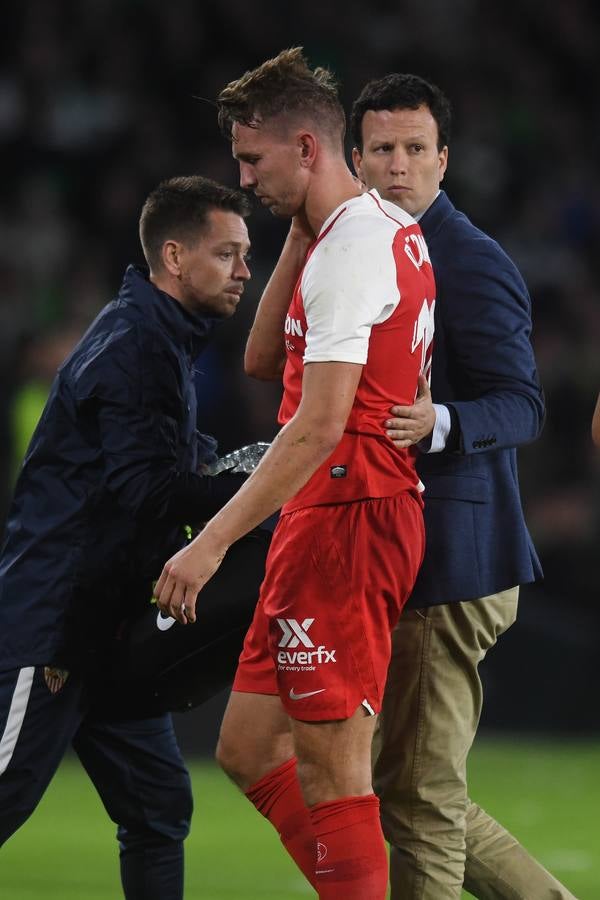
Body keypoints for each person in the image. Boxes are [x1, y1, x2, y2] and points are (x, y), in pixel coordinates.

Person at [154, 48, 435, 899]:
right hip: (323, 516)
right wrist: (303, 230)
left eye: (253, 160)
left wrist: (208, 545)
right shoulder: (356, 236)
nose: (241, 180)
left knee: (334, 773)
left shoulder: (355, 251)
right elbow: (261, 356)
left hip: (350, 517)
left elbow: (315, 427)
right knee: (245, 747)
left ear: (307, 149)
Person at [350, 74, 575, 899]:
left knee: (418, 793)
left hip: (455, 560)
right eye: (383, 149)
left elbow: (523, 405)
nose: (398, 166)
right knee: (407, 788)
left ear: (444, 162)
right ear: (356, 159)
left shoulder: (470, 260)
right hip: (406, 556)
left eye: (415, 149)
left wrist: (436, 420)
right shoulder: (363, 251)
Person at [0, 175, 252, 900]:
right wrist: (260, 492)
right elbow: (147, 491)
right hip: (52, 628)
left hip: (105, 626)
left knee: (158, 808)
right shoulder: (136, 347)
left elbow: (149, 477)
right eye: (228, 253)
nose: (244, 271)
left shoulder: (156, 339)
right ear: (175, 256)